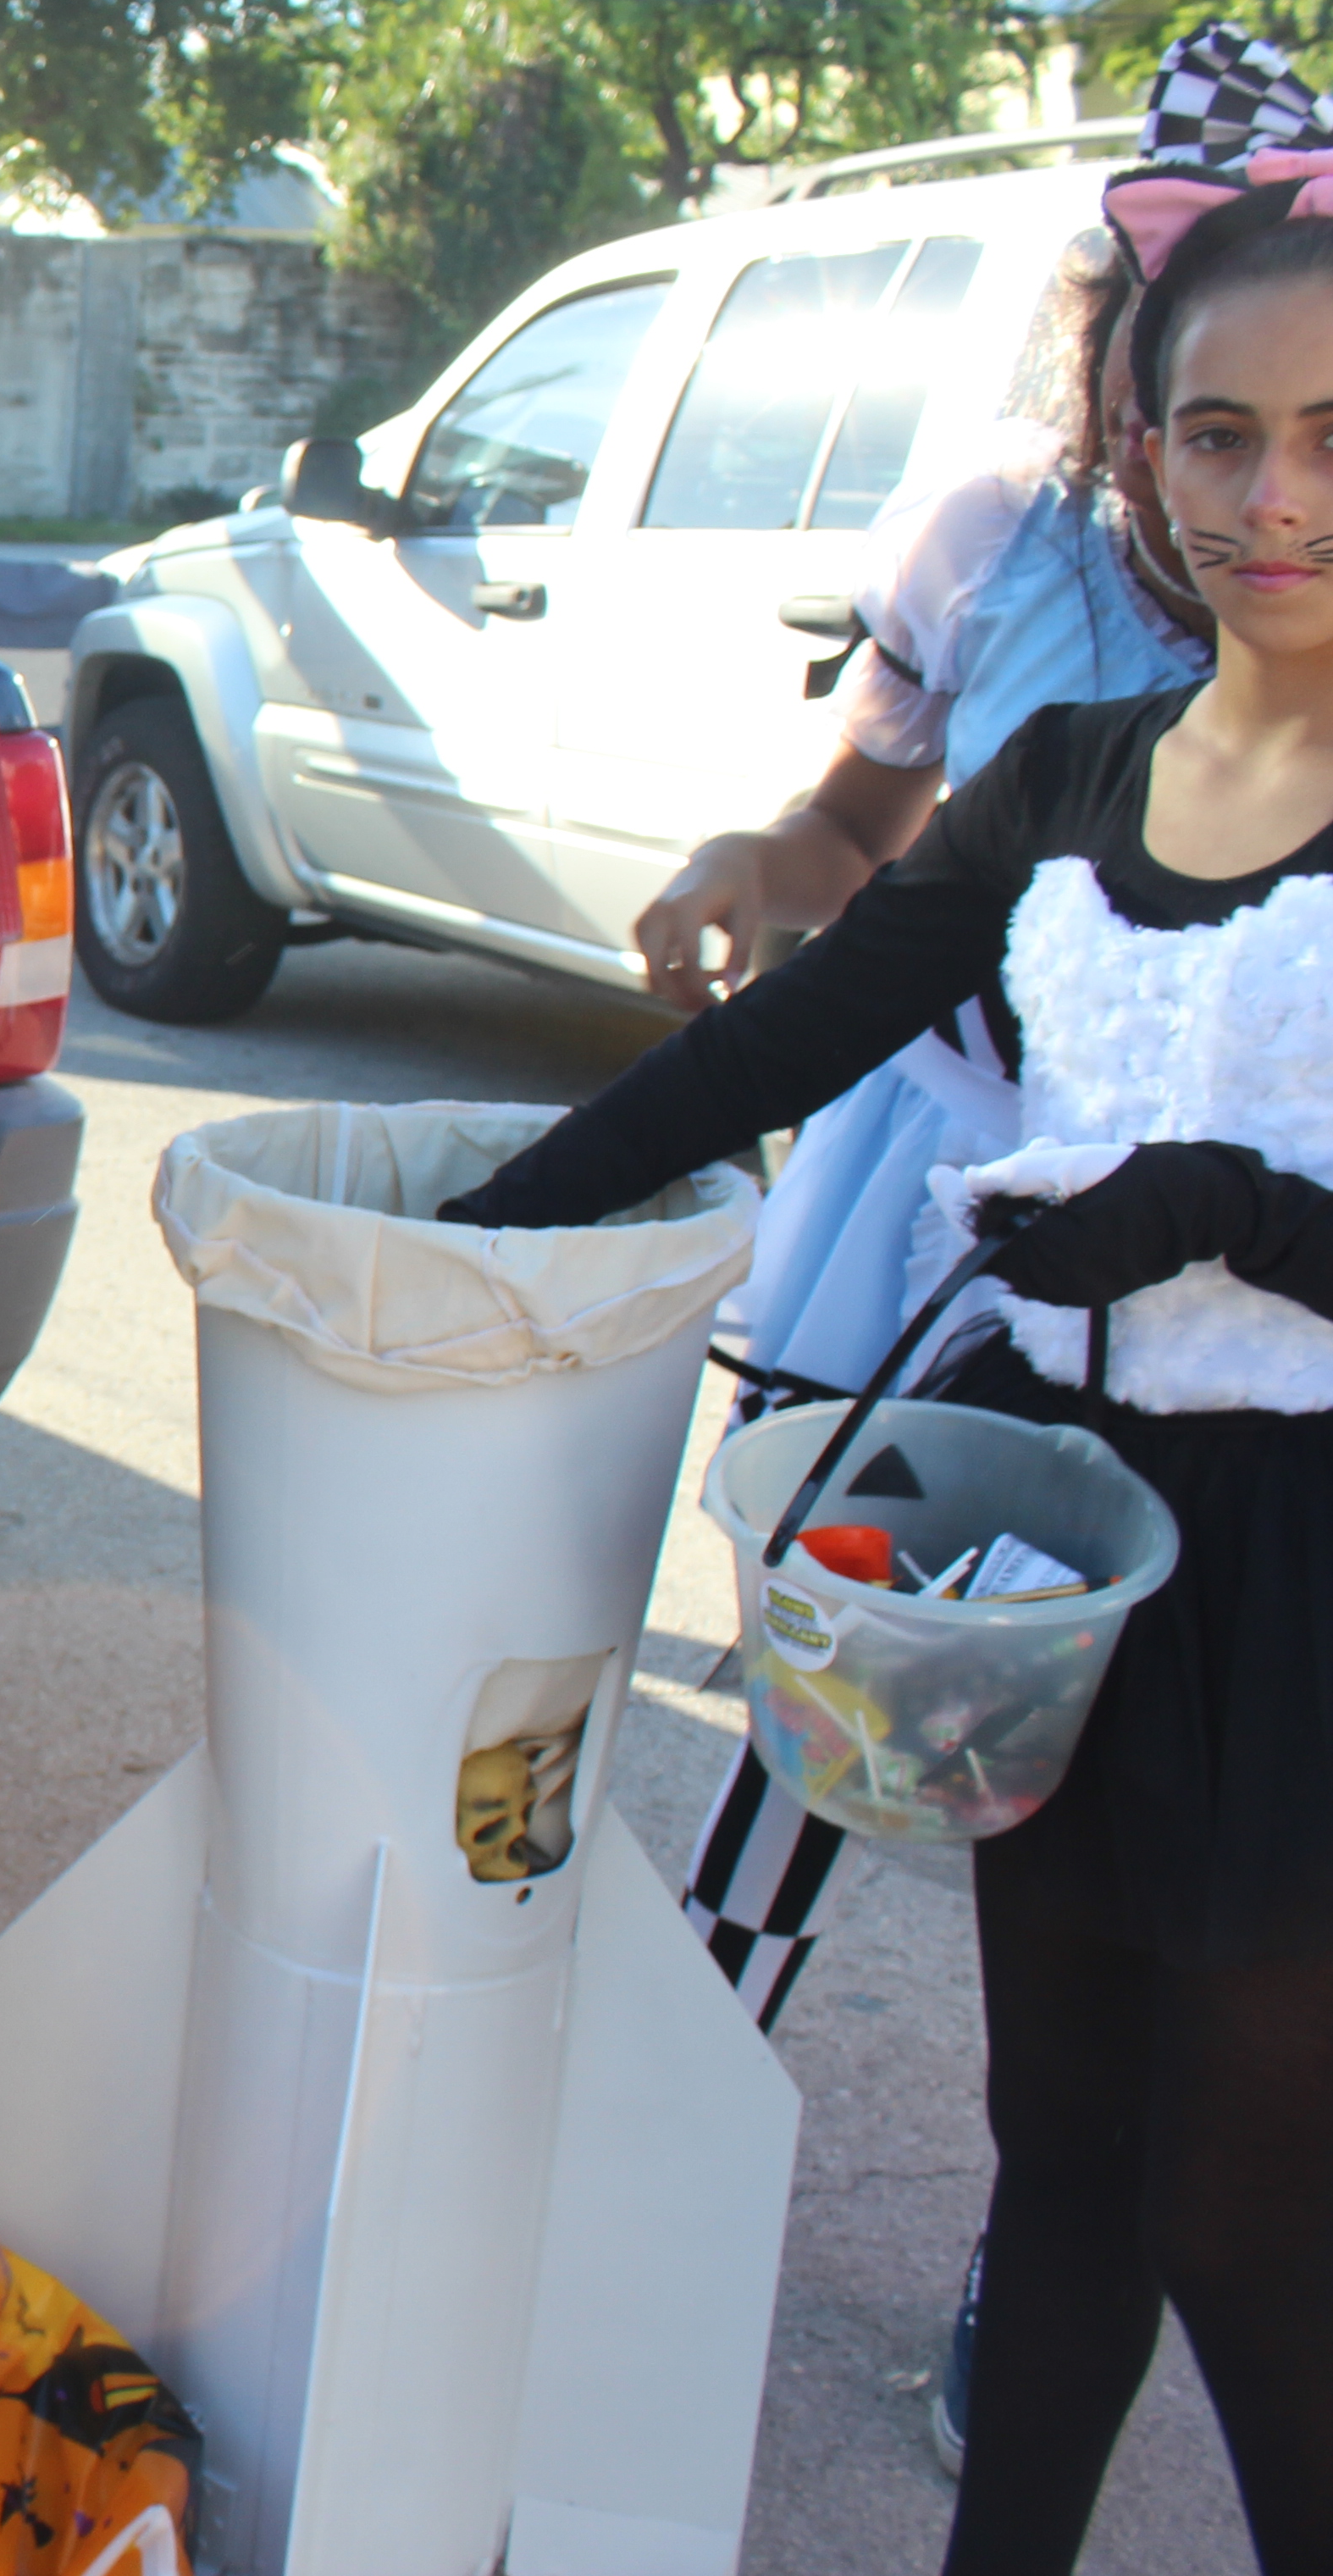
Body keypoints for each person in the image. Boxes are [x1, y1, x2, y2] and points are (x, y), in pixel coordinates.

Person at [444, 147, 1333, 2576]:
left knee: (1259, 2239)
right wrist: (487, 1227)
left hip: (1317, 1592)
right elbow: (794, 1033)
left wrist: (1241, 1221)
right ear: (1139, 451)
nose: (1275, 498)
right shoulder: (1066, 777)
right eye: (1222, 435)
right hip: (1062, 1569)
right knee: (1066, 2189)